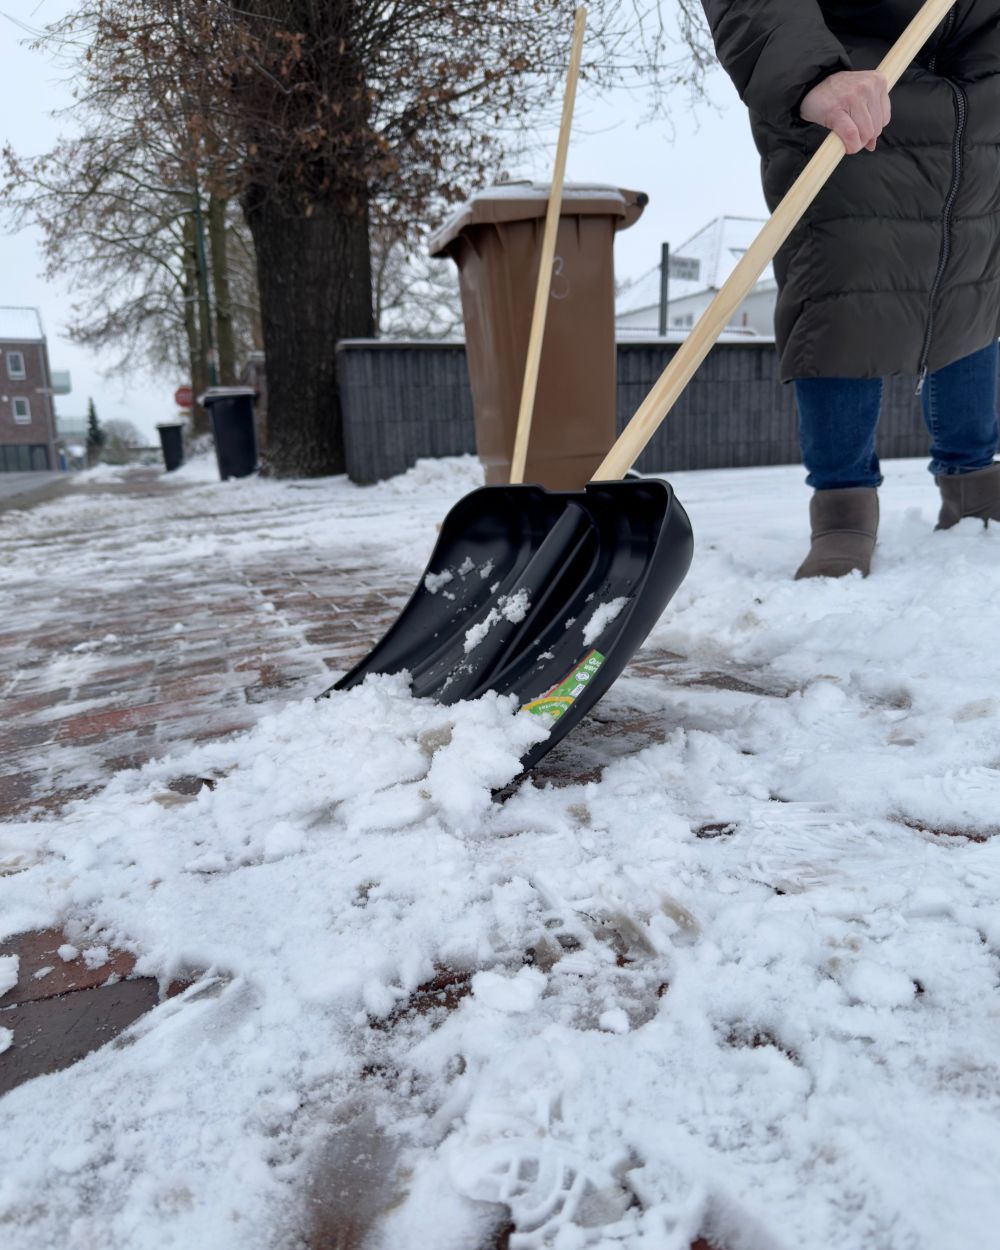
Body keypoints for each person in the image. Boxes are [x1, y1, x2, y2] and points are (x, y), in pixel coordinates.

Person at [700, 1, 1000, 578]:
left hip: (977, 84)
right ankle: (843, 506)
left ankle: (975, 485)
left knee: (973, 273)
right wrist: (806, 71)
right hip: (851, 73)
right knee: (842, 274)